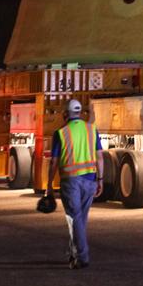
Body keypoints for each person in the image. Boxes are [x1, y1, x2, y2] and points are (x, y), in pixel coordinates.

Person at [47, 98, 103, 269]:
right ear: (80, 113)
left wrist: (48, 185)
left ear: (66, 114)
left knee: (75, 218)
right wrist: (100, 179)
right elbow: (100, 157)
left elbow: (54, 162)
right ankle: (74, 253)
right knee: (79, 220)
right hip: (90, 180)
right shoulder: (92, 130)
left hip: (71, 181)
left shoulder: (61, 133)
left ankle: (83, 256)